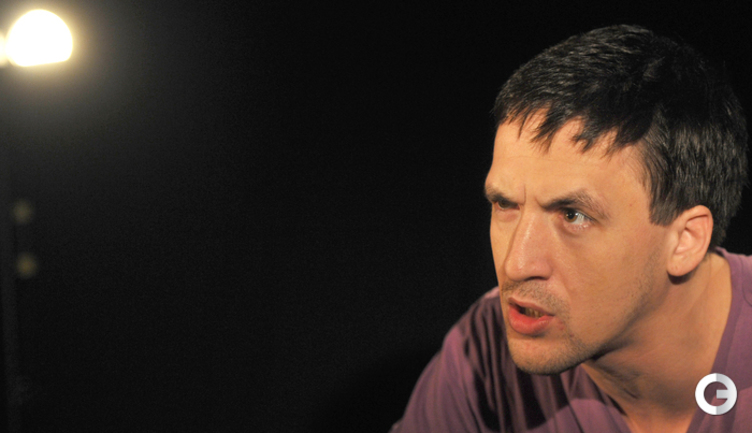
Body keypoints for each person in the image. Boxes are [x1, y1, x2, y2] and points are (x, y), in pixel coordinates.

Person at [390, 25, 751, 433]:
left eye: (573, 215)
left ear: (685, 240)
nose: (515, 265)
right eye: (505, 205)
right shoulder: (485, 349)